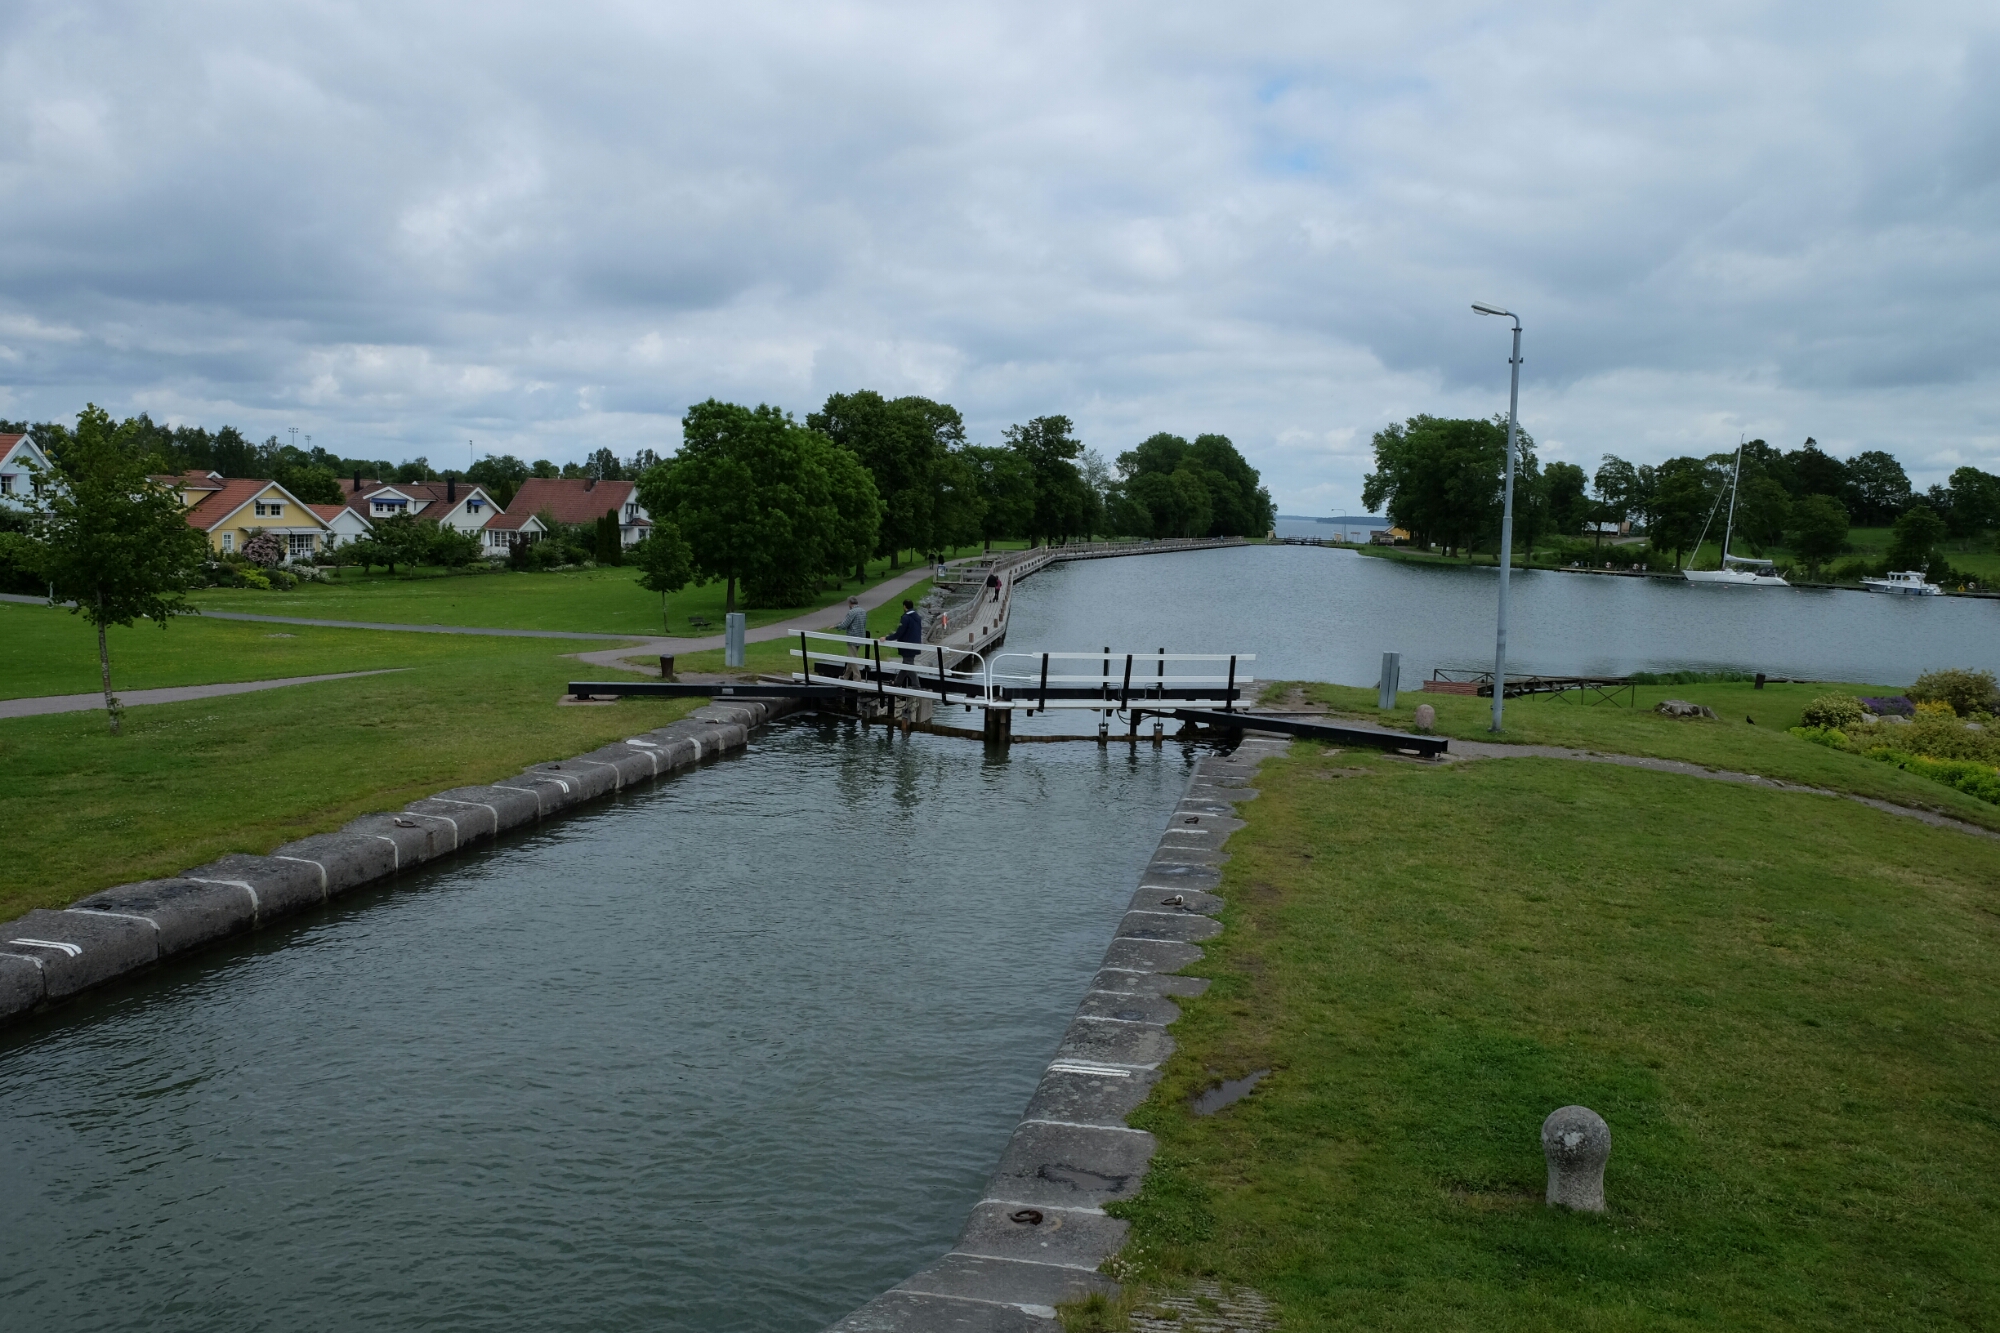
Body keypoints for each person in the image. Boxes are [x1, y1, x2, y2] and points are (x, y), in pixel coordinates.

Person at [882, 597, 924, 685]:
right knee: (906, 664)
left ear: (905, 606)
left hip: (907, 645)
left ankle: (916, 685)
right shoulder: (917, 617)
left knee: (908, 665)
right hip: (915, 644)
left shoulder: (906, 618)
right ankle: (897, 682)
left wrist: (887, 638)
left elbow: (899, 633)